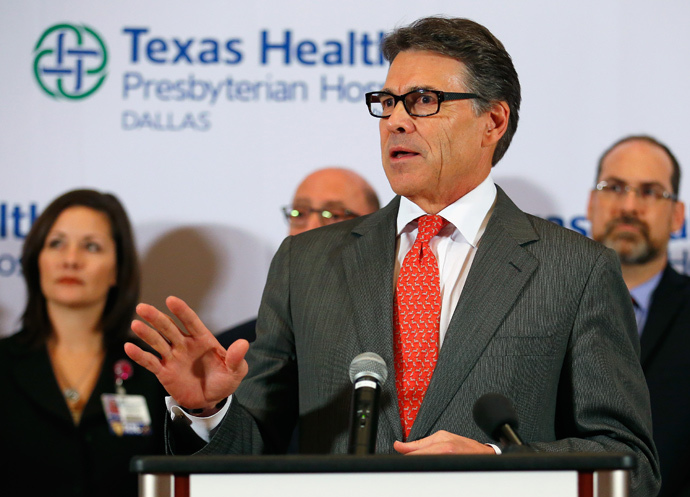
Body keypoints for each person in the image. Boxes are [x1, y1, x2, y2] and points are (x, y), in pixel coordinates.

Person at [125, 17, 660, 496]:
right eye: (388, 102)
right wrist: (209, 411)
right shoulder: (305, 263)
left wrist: (499, 463)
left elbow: (630, 463)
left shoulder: (575, 269)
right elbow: (251, 451)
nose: (396, 121)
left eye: (424, 101)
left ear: (492, 122)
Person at [0, 189, 166, 497]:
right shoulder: (4, 362)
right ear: (37, 259)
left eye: (91, 246)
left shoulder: (153, 367)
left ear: (118, 268)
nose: (71, 260)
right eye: (56, 244)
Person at [587, 135, 690, 497]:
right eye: (614, 187)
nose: (628, 206)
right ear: (591, 203)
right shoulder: (540, 306)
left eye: (649, 192)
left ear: (678, 215)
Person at [217, 166, 380, 348]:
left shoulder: (402, 336)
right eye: (300, 213)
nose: (310, 229)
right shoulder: (231, 352)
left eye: (334, 215)